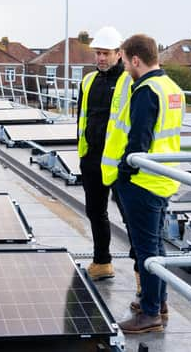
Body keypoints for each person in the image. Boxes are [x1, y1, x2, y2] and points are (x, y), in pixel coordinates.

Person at [109, 34, 184, 334]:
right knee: (156, 246)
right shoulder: (172, 88)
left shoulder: (146, 90)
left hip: (142, 180)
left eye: (125, 61)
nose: (125, 66)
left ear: (136, 60)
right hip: (164, 178)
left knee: (146, 251)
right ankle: (158, 302)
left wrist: (124, 173)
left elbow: (138, 140)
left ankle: (151, 313)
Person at [77, 26, 129, 281]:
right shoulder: (87, 81)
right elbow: (81, 119)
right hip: (92, 158)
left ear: (119, 53)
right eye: (98, 53)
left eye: (106, 53)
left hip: (119, 162)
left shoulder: (129, 81)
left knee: (129, 216)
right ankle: (102, 262)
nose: (100, 58)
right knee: (95, 211)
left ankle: (142, 272)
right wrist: (83, 154)